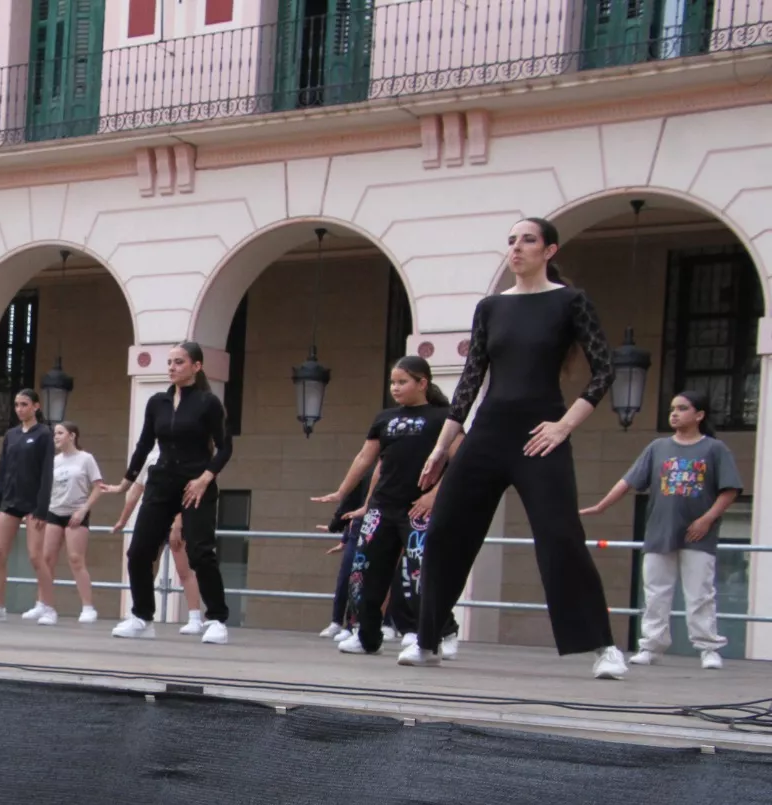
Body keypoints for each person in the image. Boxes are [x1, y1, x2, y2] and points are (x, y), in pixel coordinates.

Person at [405, 217, 627, 678]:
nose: (517, 248)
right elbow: (470, 381)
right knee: (446, 530)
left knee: (560, 536)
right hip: (487, 432)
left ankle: (602, 647)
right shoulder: (490, 307)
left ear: (549, 250)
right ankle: (428, 636)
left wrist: (565, 426)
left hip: (540, 433)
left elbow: (604, 370)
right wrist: (441, 449)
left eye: (527, 240)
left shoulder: (570, 301)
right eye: (511, 241)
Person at [581, 390, 742, 670]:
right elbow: (629, 481)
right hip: (659, 531)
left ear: (699, 415)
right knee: (655, 592)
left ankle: (708, 648)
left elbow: (729, 490)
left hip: (698, 535)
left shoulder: (715, 449)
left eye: (682, 408)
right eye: (672, 409)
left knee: (700, 593)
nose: (674, 414)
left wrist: (707, 519)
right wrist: (601, 506)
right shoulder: (657, 448)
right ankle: (651, 646)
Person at [312, 355, 460, 658]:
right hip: (382, 508)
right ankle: (365, 635)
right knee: (364, 571)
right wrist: (344, 492)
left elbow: (460, 463)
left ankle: (443, 631)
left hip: (419, 508)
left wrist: (434, 496)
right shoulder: (385, 419)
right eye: (393, 382)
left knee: (422, 574)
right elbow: (367, 460)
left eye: (402, 382)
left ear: (422, 383)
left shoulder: (445, 418)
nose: (396, 387)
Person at [103, 342, 232, 644]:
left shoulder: (208, 403)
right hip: (161, 481)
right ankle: (142, 617)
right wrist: (125, 482)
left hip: (195, 483)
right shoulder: (156, 402)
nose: (172, 367)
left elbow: (225, 447)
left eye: (179, 362)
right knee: (138, 551)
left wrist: (205, 478)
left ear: (196, 366)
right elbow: (144, 444)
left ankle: (216, 619)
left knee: (200, 552)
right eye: (170, 362)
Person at [0, 389, 53, 622]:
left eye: (24, 404)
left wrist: (41, 508)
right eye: (17, 405)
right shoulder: (11, 435)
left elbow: (47, 474)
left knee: (35, 556)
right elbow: (2, 470)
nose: (20, 409)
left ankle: (48, 607)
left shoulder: (44, 434)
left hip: (33, 504)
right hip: (10, 501)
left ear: (36, 406)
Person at [113, 469, 207, 635]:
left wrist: (178, 525)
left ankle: (194, 617)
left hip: (173, 520)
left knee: (183, 570)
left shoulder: (178, 457)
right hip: (154, 518)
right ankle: (141, 614)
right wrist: (123, 519)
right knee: (147, 565)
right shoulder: (150, 457)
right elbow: (136, 490)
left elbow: (182, 494)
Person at [34, 422, 104, 625]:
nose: (55, 437)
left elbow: (98, 486)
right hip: (54, 511)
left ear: (72, 435)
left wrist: (84, 510)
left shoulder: (86, 459)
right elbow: (45, 488)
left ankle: (88, 607)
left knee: (75, 559)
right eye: (54, 434)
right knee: (46, 559)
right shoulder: (54, 461)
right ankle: (44, 605)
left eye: (60, 433)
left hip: (76, 513)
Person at [318, 476, 368, 641]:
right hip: (357, 529)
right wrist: (342, 535)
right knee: (345, 578)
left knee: (365, 581)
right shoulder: (365, 473)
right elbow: (352, 505)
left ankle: (353, 624)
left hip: (374, 527)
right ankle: (338, 622)